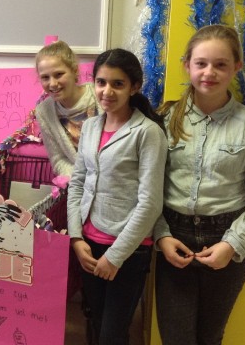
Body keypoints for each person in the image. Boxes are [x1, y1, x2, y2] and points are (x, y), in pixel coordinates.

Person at [153, 24, 245, 345]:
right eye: (201, 63)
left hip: (225, 239)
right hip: (174, 240)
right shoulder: (165, 120)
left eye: (221, 64)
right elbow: (148, 189)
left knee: (210, 337)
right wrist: (161, 236)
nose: (209, 72)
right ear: (187, 65)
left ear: (236, 67)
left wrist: (232, 244)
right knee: (175, 338)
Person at [67, 48, 167, 345]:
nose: (107, 91)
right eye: (101, 82)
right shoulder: (90, 127)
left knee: (113, 334)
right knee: (96, 322)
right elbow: (77, 183)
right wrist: (76, 238)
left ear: (134, 87)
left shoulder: (147, 132)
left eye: (117, 84)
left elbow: (150, 203)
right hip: (89, 244)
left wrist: (115, 257)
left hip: (126, 250)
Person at [34, 41, 100, 177]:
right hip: (80, 183)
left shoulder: (99, 94)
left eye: (59, 74)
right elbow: (58, 160)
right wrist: (81, 179)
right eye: (45, 77)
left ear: (75, 71)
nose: (53, 84)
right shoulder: (44, 112)